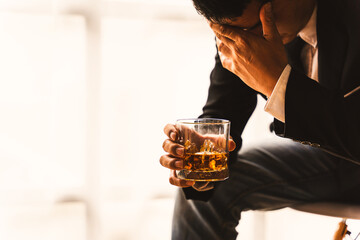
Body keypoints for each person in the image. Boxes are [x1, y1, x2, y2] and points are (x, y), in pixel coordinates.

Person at [159, 0, 360, 238]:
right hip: (325, 156)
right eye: (232, 33)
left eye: (254, 27)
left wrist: (279, 84)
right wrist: (200, 162)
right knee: (199, 188)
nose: (244, 43)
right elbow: (224, 110)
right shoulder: (242, 25)